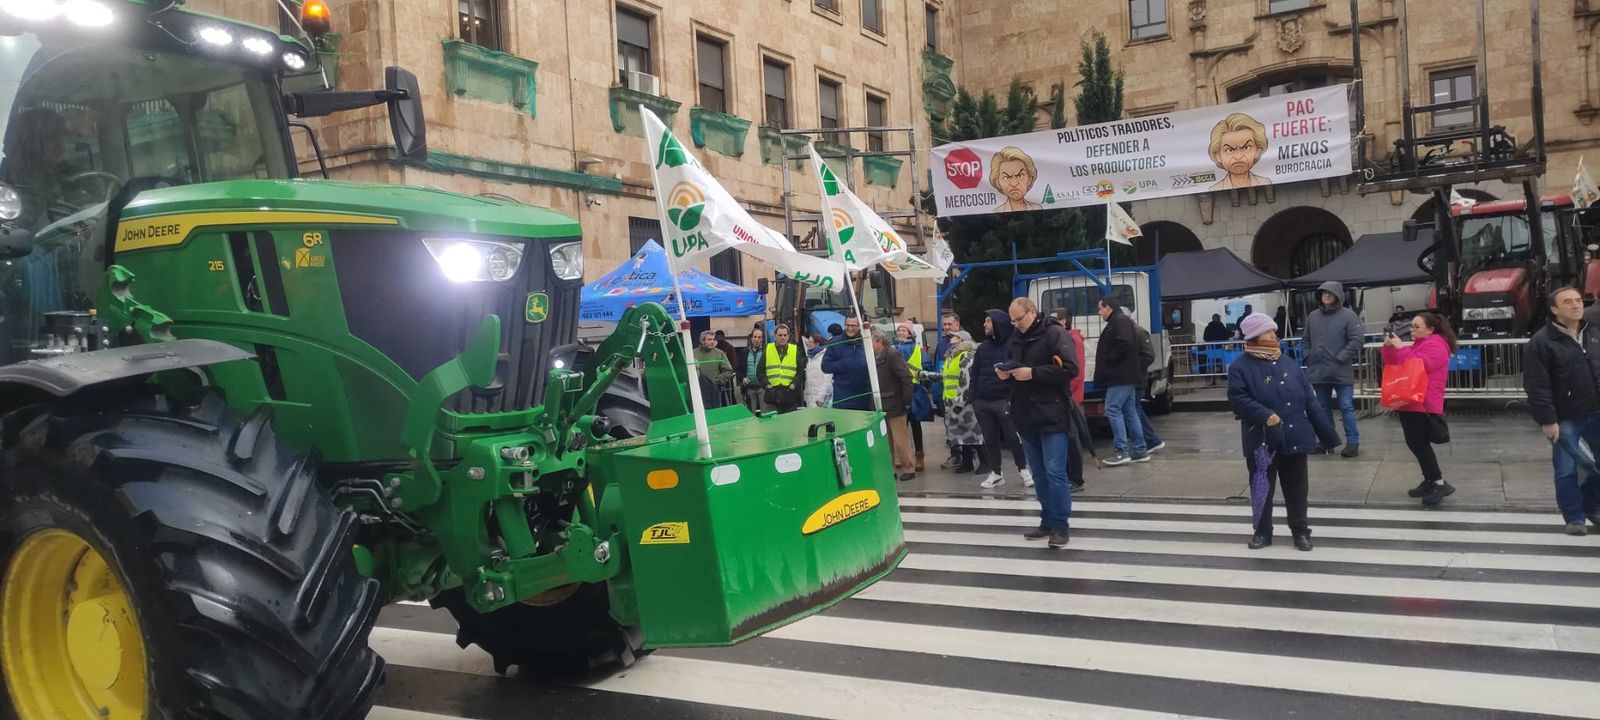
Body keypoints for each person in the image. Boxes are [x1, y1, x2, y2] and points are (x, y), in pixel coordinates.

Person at [1227, 313, 1340, 552]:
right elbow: (1238, 399)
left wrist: (1328, 435)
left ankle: (1300, 532)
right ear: (1255, 336)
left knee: (1297, 489)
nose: (1274, 335)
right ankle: (1262, 532)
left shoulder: (1288, 363)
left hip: (1296, 435)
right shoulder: (1240, 367)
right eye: (1269, 332)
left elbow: (1310, 401)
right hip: (1262, 440)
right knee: (1261, 488)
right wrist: (1264, 415)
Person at [997, 297, 1077, 548]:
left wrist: (1032, 373)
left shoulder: (1054, 334)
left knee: (1055, 472)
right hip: (1025, 413)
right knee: (1040, 474)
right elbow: (1017, 369)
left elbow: (1070, 369)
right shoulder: (1016, 337)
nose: (1016, 324)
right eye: (1012, 320)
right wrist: (1007, 375)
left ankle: (1061, 525)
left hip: (1051, 412)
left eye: (1019, 319)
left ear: (1032, 312)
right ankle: (1048, 521)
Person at [1522, 287, 1600, 534]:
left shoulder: (1593, 334)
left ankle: (1592, 507)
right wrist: (1547, 419)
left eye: (1578, 300)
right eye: (1568, 302)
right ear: (1554, 309)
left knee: (1596, 465)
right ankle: (1574, 517)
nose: (1576, 305)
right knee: (1566, 467)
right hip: (1566, 415)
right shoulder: (1541, 342)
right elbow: (1537, 384)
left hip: (1596, 410)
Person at [1382, 311, 1457, 508]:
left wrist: (1401, 347)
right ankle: (1430, 480)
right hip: (1411, 400)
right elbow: (1395, 362)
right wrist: (1389, 347)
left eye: (1416, 327)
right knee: (1415, 443)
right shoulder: (1421, 344)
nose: (1411, 330)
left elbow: (1417, 365)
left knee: (1419, 444)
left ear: (1431, 329)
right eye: (1411, 326)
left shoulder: (1437, 345)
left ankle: (1439, 482)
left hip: (1423, 402)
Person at [972, 309, 1032, 489]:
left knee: (1013, 437)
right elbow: (974, 373)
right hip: (983, 401)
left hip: (1004, 400)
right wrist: (974, 397)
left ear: (998, 324)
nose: (985, 324)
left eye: (988, 321)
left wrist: (1011, 396)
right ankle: (996, 473)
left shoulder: (1013, 345)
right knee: (989, 439)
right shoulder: (982, 348)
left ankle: (1023, 470)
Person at [1305, 281, 1363, 457]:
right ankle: (1326, 441)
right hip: (1319, 370)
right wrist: (1309, 356)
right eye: (1324, 293)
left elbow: (1357, 339)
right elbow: (1305, 339)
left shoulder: (1349, 316)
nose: (1327, 296)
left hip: (1340, 370)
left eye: (1330, 293)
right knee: (1321, 408)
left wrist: (1341, 357)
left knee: (1346, 406)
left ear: (1338, 295)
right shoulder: (1313, 316)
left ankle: (1352, 442)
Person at [1095, 299, 1149, 465]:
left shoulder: (1118, 321)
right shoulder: (1121, 320)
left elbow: (1124, 343)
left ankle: (1121, 451)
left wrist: (1109, 360)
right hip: (1127, 375)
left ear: (1108, 307)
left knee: (1112, 408)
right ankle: (1139, 449)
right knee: (1129, 410)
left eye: (1100, 309)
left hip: (1120, 375)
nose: (1099, 312)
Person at [935, 330, 983, 473]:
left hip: (963, 403)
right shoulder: (952, 356)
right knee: (962, 435)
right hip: (952, 402)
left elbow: (966, 381)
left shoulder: (966, 356)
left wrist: (960, 402)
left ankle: (985, 461)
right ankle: (967, 463)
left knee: (974, 433)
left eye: (955, 336)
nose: (951, 339)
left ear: (962, 340)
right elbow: (943, 377)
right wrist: (923, 375)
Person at [872, 329, 917, 481]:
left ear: (879, 341)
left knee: (900, 440)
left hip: (895, 404)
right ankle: (889, 469)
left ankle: (908, 468)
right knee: (886, 441)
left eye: (871, 341)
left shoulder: (892, 354)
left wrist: (906, 400)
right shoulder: (876, 356)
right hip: (882, 404)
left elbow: (906, 377)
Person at [1125, 307, 1166, 453]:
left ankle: (1150, 440)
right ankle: (1149, 439)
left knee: (1133, 410)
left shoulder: (1138, 332)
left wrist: (1133, 368)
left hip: (1136, 379)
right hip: (1135, 378)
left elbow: (1149, 356)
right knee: (1134, 410)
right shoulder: (1135, 331)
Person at [896, 322, 934, 471]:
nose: (900, 332)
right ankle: (903, 455)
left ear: (910, 334)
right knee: (900, 426)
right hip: (898, 390)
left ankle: (919, 455)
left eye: (904, 330)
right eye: (899, 330)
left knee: (914, 423)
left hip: (914, 390)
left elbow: (926, 367)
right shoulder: (893, 348)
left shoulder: (916, 350)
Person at [1207, 113, 1271, 190]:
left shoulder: (1266, 183)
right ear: (1218, 155)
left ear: (1257, 150)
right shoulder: (1214, 189)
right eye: (1229, 150)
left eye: (1246, 147)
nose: (1238, 156)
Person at [822, 317, 873, 411]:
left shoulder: (867, 341)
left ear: (859, 326)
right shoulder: (835, 342)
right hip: (843, 396)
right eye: (847, 325)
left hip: (864, 395)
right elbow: (825, 366)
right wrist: (843, 363)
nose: (850, 328)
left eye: (853, 325)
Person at [757, 324, 806, 413]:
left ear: (788, 336)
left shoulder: (795, 349)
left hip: (790, 393)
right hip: (773, 393)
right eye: (780, 335)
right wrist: (766, 385)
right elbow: (760, 371)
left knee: (789, 423)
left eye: (784, 335)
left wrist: (794, 384)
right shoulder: (768, 349)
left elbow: (801, 372)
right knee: (773, 424)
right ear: (775, 336)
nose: (782, 337)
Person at [989, 146, 1044, 212]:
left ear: (1029, 179)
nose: (1014, 184)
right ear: (998, 183)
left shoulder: (1037, 208)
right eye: (1006, 177)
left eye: (1020, 175)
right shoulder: (997, 212)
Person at [693, 330, 734, 408]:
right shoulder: (693, 353)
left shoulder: (719, 353)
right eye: (709, 339)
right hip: (697, 392)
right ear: (702, 341)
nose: (712, 342)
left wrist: (718, 381)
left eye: (713, 339)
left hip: (714, 391)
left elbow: (728, 371)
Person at [739, 327, 766, 412]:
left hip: (763, 387)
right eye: (755, 337)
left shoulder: (767, 351)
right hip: (749, 387)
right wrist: (743, 378)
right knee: (751, 413)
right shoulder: (744, 352)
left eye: (759, 337)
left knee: (765, 412)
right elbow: (738, 369)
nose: (757, 339)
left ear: (762, 339)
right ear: (751, 338)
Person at [804, 332, 833, 408]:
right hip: (810, 400)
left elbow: (827, 380)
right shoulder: (809, 358)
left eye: (810, 342)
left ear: (817, 344)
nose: (807, 344)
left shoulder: (824, 357)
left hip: (820, 401)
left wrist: (821, 398)